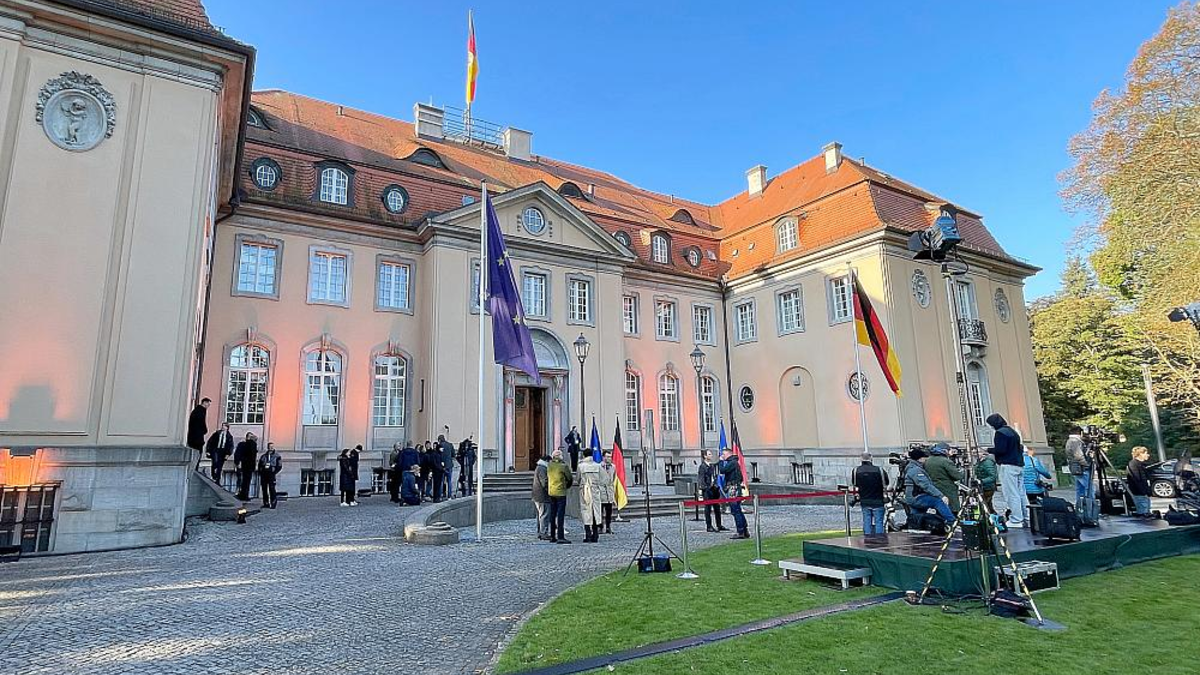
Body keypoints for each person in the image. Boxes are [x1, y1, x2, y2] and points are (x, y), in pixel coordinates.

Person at [987, 413, 1026, 528]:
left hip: (1008, 464)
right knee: (1021, 493)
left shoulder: (1000, 433)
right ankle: (1026, 516)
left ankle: (1016, 519)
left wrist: (988, 450)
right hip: (1018, 464)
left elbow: (1001, 450)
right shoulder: (1012, 432)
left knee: (1011, 493)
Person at [903, 448, 956, 525]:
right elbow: (926, 485)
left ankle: (916, 526)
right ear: (920, 459)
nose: (926, 460)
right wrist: (941, 496)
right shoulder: (915, 470)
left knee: (917, 517)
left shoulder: (911, 467)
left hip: (912, 497)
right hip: (916, 497)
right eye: (925, 458)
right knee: (937, 501)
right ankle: (952, 521)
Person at [851, 451, 888, 535]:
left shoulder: (856, 470)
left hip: (864, 499)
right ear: (871, 458)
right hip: (878, 499)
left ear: (861, 458)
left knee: (866, 521)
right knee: (879, 522)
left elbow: (855, 484)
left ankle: (867, 540)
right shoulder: (880, 470)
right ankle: (879, 540)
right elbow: (886, 482)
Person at [718, 448, 749, 539]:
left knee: (736, 511)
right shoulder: (734, 462)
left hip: (733, 489)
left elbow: (723, 470)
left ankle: (740, 531)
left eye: (723, 454)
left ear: (728, 454)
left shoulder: (732, 463)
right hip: (734, 488)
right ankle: (744, 530)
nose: (722, 456)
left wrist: (720, 462)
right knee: (738, 510)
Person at [923, 443, 963, 513]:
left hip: (933, 489)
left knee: (938, 510)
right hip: (947, 490)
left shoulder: (928, 460)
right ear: (945, 451)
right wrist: (962, 472)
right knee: (952, 511)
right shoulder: (946, 461)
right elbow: (957, 476)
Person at [546, 450, 573, 544]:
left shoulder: (549, 465)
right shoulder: (563, 466)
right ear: (560, 456)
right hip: (561, 492)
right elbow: (569, 478)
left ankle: (552, 535)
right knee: (560, 515)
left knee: (552, 514)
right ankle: (560, 536)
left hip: (551, 492)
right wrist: (566, 486)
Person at [578, 451, 605, 543]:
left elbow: (578, 478)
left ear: (584, 455)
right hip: (595, 490)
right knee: (595, 512)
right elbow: (604, 479)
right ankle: (596, 535)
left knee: (586, 511)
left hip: (585, 490)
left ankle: (588, 534)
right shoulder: (598, 466)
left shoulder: (581, 466)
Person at [698, 450, 726, 533]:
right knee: (708, 509)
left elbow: (714, 475)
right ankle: (709, 526)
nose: (711, 455)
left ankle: (719, 524)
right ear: (705, 456)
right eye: (709, 454)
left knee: (717, 507)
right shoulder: (702, 466)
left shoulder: (711, 466)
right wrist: (705, 488)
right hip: (707, 489)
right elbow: (701, 478)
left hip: (714, 488)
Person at [1126, 446, 1153, 517]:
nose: (1148, 455)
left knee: (1146, 508)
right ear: (1140, 454)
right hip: (1139, 492)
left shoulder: (1142, 464)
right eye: (1146, 453)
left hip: (1143, 491)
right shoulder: (1133, 464)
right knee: (1142, 509)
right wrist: (1143, 491)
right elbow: (1136, 478)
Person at [1065, 426, 1090, 501]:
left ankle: (1080, 506)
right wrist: (1086, 464)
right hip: (1080, 468)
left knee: (1080, 489)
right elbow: (1078, 455)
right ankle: (1090, 505)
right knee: (1089, 488)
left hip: (1076, 468)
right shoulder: (1074, 441)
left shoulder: (1071, 441)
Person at [187, 398, 211, 470]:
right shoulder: (201, 411)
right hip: (197, 438)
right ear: (204, 403)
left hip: (193, 437)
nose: (208, 406)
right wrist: (205, 430)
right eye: (208, 404)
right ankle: (194, 469)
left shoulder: (196, 410)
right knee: (197, 455)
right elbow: (201, 423)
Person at [232, 432, 257, 501]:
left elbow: (253, 456)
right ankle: (242, 494)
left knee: (246, 481)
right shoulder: (243, 444)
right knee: (242, 480)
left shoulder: (252, 444)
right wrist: (237, 463)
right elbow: (238, 454)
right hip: (244, 464)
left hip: (249, 465)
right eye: (250, 437)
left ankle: (244, 494)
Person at [531, 454, 551, 540]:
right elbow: (544, 482)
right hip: (542, 496)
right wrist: (550, 490)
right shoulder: (543, 468)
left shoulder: (539, 467)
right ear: (547, 461)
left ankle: (540, 532)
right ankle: (543, 533)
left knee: (540, 515)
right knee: (544, 515)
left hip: (537, 495)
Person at [257, 442, 282, 509]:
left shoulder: (277, 456)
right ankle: (266, 503)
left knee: (272, 488)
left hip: (271, 473)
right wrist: (260, 471)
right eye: (270, 446)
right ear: (268, 447)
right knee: (264, 489)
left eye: (272, 446)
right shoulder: (264, 456)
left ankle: (273, 503)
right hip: (264, 473)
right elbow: (260, 465)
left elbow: (279, 466)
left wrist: (274, 472)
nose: (271, 448)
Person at [599, 450, 618, 534]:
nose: (609, 458)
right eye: (607, 456)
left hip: (609, 491)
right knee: (600, 511)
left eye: (610, 457)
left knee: (609, 511)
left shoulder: (613, 467)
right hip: (601, 490)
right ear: (603, 457)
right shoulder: (599, 466)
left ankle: (608, 527)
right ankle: (600, 527)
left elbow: (613, 478)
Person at [438, 434, 455, 500]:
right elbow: (453, 455)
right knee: (449, 481)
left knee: (441, 481)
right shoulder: (450, 445)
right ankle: (449, 496)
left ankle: (440, 496)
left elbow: (438, 455)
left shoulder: (439, 446)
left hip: (442, 466)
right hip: (449, 465)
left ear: (439, 440)